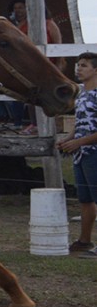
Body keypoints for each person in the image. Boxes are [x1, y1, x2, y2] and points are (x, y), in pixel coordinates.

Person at [58, 52, 97, 259]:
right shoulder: (81, 94)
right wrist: (67, 139)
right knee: (85, 199)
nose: (78, 69)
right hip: (81, 153)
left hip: (93, 151)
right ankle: (84, 240)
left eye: (84, 65)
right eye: (78, 65)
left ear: (95, 70)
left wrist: (78, 142)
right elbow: (81, 123)